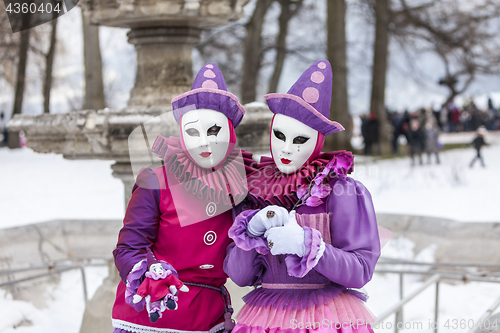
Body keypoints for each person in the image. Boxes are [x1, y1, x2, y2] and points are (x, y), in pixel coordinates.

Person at [224, 60, 382, 333]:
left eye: (299, 139)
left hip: (325, 319)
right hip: (265, 320)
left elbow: (360, 270)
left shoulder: (342, 190)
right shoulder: (254, 188)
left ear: (318, 140)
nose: (286, 148)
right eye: (279, 135)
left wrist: (310, 246)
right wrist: (250, 232)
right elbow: (239, 277)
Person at [111, 63, 257, 333]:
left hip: (207, 318)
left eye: (213, 131)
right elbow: (127, 248)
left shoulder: (241, 188)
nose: (203, 142)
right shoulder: (155, 181)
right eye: (193, 132)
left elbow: (243, 273)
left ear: (231, 133)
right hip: (150, 318)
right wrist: (149, 272)